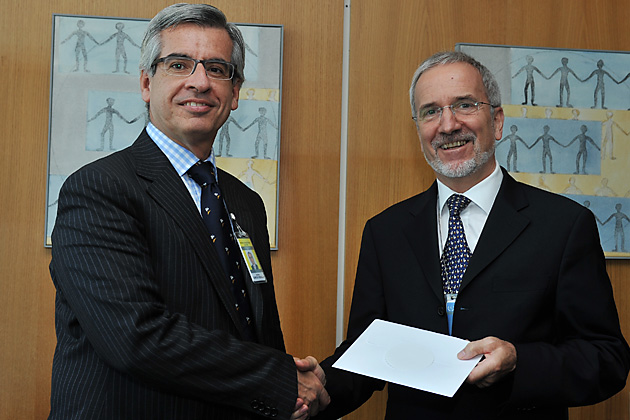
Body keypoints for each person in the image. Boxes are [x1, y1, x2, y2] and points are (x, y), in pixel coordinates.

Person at [49, 4, 328, 419]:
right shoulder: (98, 189)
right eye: (179, 65)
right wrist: (280, 379)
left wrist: (289, 397)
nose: (200, 82)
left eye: (217, 69)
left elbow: (256, 329)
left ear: (235, 92)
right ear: (147, 83)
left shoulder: (246, 202)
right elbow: (135, 337)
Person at [316, 51, 630, 419]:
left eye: (464, 105)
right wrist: (307, 392)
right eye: (431, 111)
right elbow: (366, 354)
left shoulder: (563, 225)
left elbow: (605, 358)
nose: (448, 125)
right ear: (418, 129)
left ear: (497, 121)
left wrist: (518, 361)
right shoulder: (385, 231)